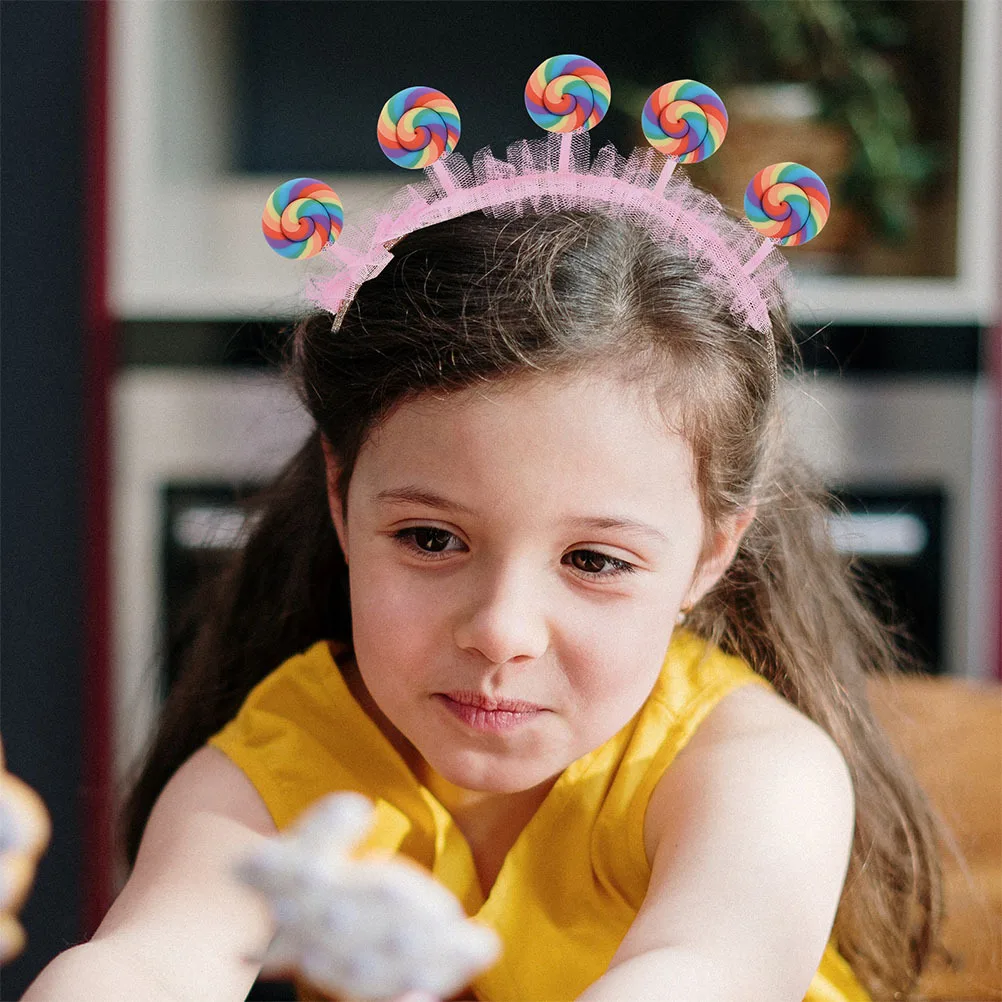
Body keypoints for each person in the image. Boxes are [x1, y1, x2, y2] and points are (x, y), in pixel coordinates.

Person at [25, 69, 949, 1002]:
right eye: (431, 540)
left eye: (593, 560)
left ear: (711, 553)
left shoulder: (757, 774)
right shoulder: (289, 759)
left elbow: (696, 975)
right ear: (343, 500)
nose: (501, 630)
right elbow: (146, 962)